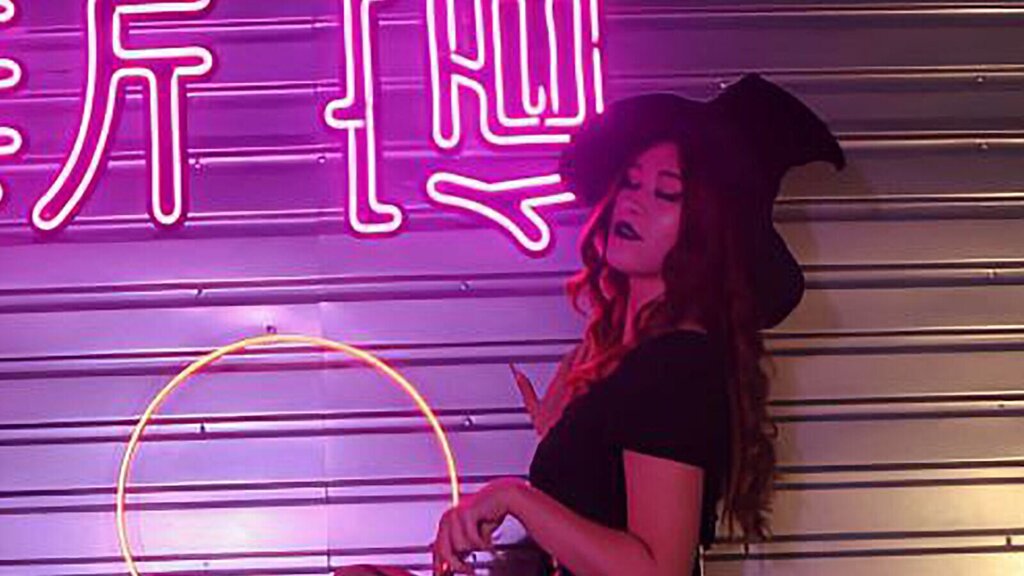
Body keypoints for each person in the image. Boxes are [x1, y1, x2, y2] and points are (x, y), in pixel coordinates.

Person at [335, 73, 845, 576]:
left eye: (667, 193)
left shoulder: (676, 363)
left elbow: (657, 572)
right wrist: (565, 435)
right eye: (630, 182)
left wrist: (516, 497)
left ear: (706, 230)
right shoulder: (636, 359)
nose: (632, 201)